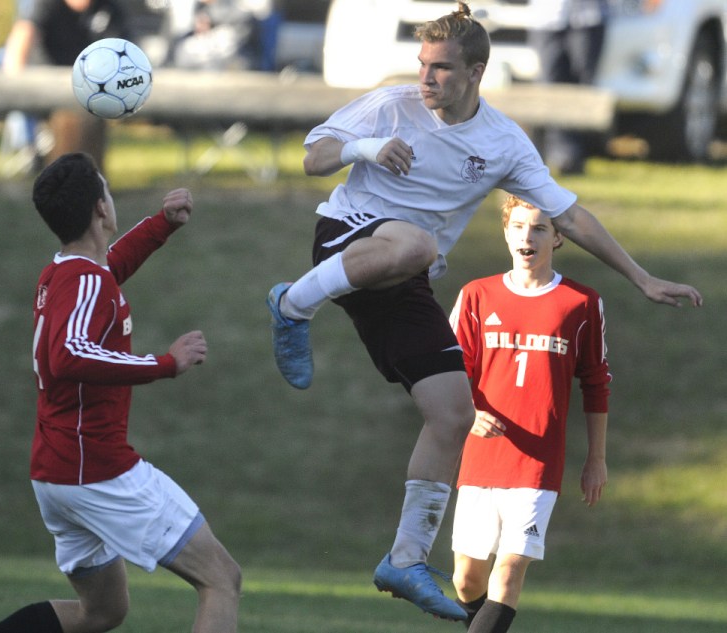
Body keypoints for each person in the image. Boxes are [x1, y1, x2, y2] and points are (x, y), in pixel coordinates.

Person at [265, 1, 701, 622]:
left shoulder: (503, 143)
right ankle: (291, 303)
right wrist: (365, 146)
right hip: (347, 236)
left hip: (407, 274)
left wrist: (641, 277)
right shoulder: (391, 106)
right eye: (422, 65)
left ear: (476, 72)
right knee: (414, 242)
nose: (425, 79)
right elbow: (313, 157)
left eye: (440, 68)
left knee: (453, 414)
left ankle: (406, 556)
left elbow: (571, 216)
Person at [0, 153, 241, 633]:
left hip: (58, 472)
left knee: (102, 611)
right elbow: (68, 354)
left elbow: (108, 267)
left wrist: (161, 225)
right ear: (101, 207)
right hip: (96, 471)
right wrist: (166, 363)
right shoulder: (84, 281)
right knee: (221, 579)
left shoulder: (69, 271)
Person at [448, 194, 610, 632]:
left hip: (538, 462)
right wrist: (468, 412)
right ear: (505, 233)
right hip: (481, 455)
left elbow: (596, 383)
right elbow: (448, 372)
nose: (527, 236)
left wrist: (596, 458)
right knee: (466, 580)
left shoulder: (580, 303)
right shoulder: (476, 296)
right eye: (519, 226)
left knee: (509, 569)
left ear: (558, 238)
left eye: (539, 228)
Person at [1, 0, 133, 172]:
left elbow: (125, 53)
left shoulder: (109, 7)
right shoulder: (45, 4)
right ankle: (35, 148)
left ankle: (87, 174)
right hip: (46, 85)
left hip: (90, 89)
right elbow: (22, 37)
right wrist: (14, 84)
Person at [528, 0, 608, 175]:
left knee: (582, 89)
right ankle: (552, 153)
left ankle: (573, 156)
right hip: (547, 18)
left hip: (588, 17)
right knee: (548, 87)